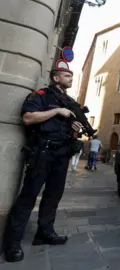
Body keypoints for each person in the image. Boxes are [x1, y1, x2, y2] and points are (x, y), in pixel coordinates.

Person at [3, 68, 83, 263]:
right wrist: (56, 111)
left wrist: (75, 129)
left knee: (53, 196)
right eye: (67, 76)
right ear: (56, 78)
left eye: (72, 76)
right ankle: (12, 243)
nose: (70, 79)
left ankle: (45, 233)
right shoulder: (41, 96)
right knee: (28, 196)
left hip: (62, 154)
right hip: (43, 152)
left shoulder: (70, 102)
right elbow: (28, 118)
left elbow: (70, 131)